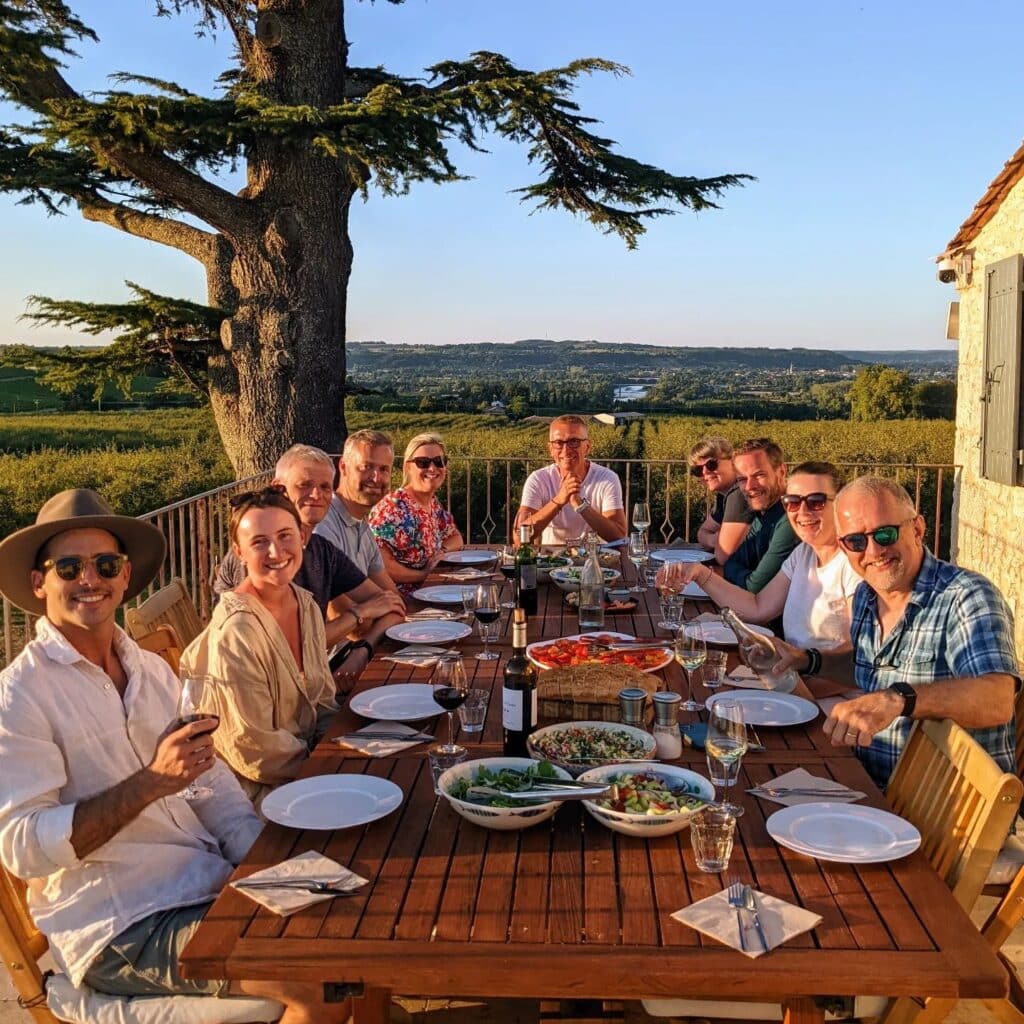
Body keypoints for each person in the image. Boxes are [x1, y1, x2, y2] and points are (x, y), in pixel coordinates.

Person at [0, 489, 325, 1020]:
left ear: (125, 576)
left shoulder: (149, 670)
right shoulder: (20, 696)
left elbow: (208, 780)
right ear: (39, 582)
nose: (90, 578)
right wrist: (152, 781)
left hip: (200, 879)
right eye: (69, 566)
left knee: (346, 930)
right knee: (310, 980)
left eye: (106, 564)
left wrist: (259, 858)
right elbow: (22, 848)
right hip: (119, 921)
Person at [771, 475, 1018, 789]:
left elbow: (996, 699)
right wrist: (808, 660)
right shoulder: (866, 596)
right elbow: (867, 667)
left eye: (885, 534)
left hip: (939, 814)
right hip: (863, 781)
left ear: (917, 529)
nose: (873, 551)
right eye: (856, 541)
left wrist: (899, 699)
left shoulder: (966, 597)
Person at [183, 488, 342, 808]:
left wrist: (343, 750)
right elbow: (254, 750)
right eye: (259, 542)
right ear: (239, 551)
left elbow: (324, 699)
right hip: (255, 794)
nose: (276, 551)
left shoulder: (305, 604)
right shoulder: (237, 632)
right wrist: (328, 768)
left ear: (302, 537)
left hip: (310, 767)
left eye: (285, 535)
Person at [214, 444, 405, 682]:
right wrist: (359, 613)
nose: (317, 495)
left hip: (313, 679)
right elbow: (283, 648)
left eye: (325, 487)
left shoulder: (320, 549)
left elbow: (392, 606)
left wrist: (363, 648)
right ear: (278, 488)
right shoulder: (263, 557)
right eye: (304, 485)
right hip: (264, 691)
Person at [659, 462, 858, 650]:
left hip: (817, 683)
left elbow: (855, 659)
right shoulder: (804, 554)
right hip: (790, 673)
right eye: (792, 502)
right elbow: (758, 608)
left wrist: (799, 674)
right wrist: (699, 573)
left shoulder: (854, 564)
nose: (802, 512)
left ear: (842, 505)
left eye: (816, 502)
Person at [368, 432, 465, 593]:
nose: (432, 468)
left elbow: (456, 538)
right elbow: (379, 565)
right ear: (407, 467)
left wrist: (440, 553)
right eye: (423, 463)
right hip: (405, 598)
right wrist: (422, 575)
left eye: (439, 462)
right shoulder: (393, 508)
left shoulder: (432, 504)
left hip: (433, 590)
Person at [514, 415, 628, 545]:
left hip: (595, 561)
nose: (566, 450)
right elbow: (518, 538)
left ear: (587, 447)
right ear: (550, 449)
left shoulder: (607, 478)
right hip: (552, 562)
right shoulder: (538, 479)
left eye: (574, 442)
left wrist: (580, 505)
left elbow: (619, 536)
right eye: (558, 443)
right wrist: (558, 501)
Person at [314, 428, 400, 592]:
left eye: (384, 469)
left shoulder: (362, 526)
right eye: (366, 466)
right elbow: (339, 609)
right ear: (343, 467)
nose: (376, 478)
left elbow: (392, 594)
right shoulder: (324, 524)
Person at [723, 438, 799, 594]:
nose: (750, 486)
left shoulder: (791, 518)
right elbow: (731, 564)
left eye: (759, 475)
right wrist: (747, 575)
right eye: (742, 479)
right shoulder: (763, 515)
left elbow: (756, 586)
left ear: (782, 471)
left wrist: (747, 576)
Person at [690, 437, 753, 564]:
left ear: (732, 461)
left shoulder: (739, 493)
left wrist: (718, 541)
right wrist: (714, 540)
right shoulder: (724, 495)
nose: (705, 472)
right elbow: (702, 532)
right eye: (697, 470)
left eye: (711, 464)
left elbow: (722, 556)